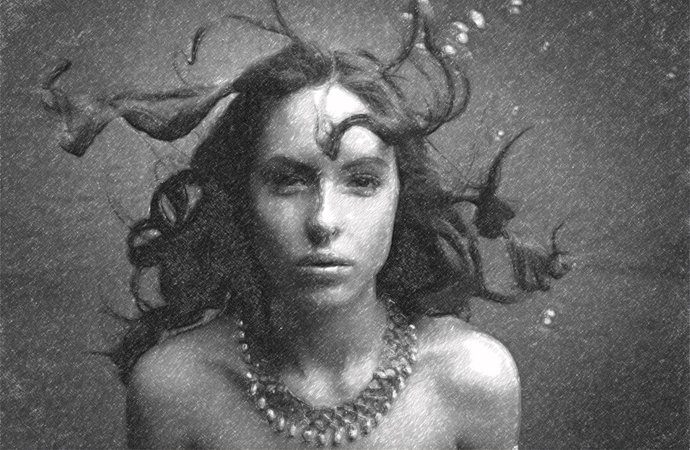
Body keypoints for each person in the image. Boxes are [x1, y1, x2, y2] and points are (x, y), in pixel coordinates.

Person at [42, 2, 569, 448]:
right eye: (288, 181)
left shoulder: (473, 378)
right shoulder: (174, 388)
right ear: (242, 198)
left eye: (362, 181)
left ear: (400, 198)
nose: (324, 221)